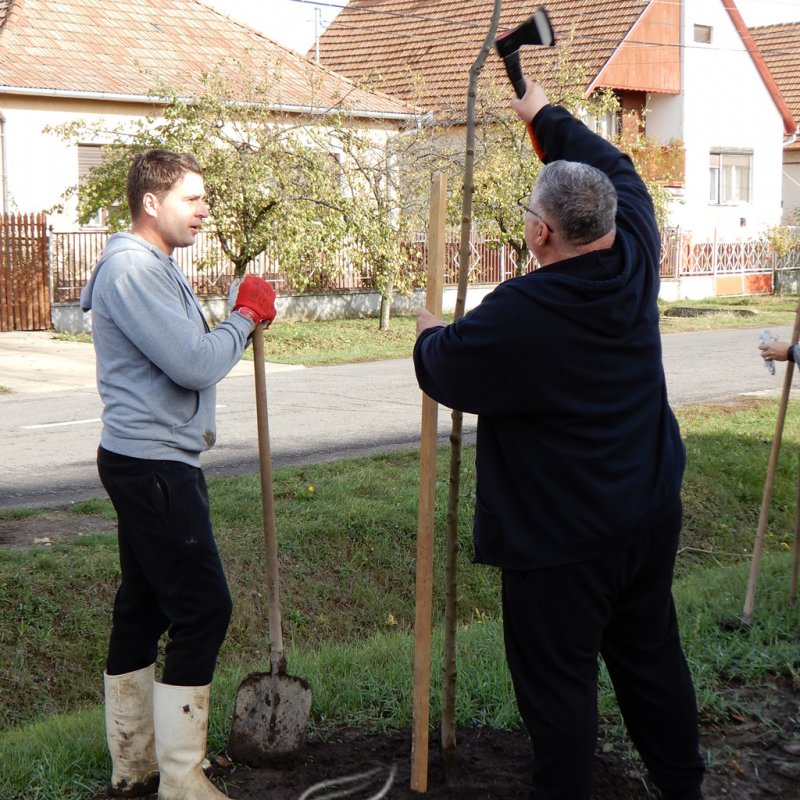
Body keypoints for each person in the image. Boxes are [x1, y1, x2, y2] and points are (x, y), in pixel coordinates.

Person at [413, 81, 705, 800]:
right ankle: (683, 788)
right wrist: (541, 114)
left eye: (529, 216)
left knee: (559, 688)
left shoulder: (524, 312)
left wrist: (426, 332)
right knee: (650, 658)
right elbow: (619, 166)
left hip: (561, 544)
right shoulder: (636, 245)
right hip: (645, 514)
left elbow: (445, 366)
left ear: (542, 233)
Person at [80, 149, 277, 800]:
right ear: (151, 203)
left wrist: (235, 315)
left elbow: (185, 348)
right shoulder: (131, 271)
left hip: (151, 459)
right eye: (194, 198)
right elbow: (193, 363)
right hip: (154, 463)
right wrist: (244, 319)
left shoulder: (154, 267)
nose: (205, 210)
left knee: (142, 606)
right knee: (203, 608)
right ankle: (181, 780)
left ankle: (136, 765)